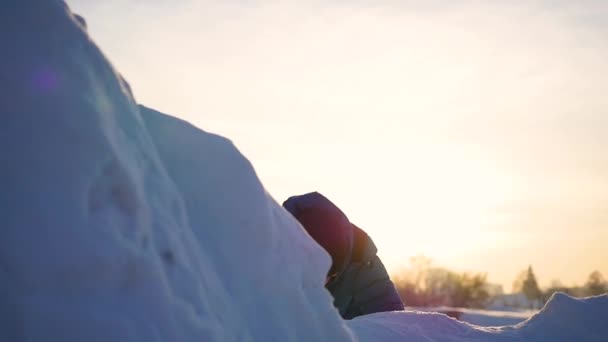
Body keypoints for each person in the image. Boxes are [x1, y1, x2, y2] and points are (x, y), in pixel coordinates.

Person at [283, 192, 404, 319]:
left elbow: (392, 322)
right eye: (314, 274)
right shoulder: (270, 258)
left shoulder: (364, 265)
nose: (321, 283)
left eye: (329, 275)